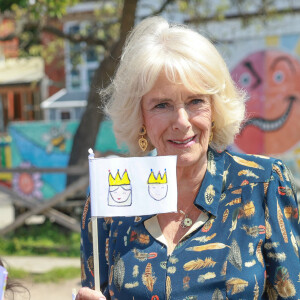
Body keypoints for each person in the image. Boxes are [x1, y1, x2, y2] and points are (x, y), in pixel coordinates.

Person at [76, 16, 300, 299]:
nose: (181, 121)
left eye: (195, 101)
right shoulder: (108, 199)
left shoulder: (262, 184)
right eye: (162, 104)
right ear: (140, 116)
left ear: (215, 108)